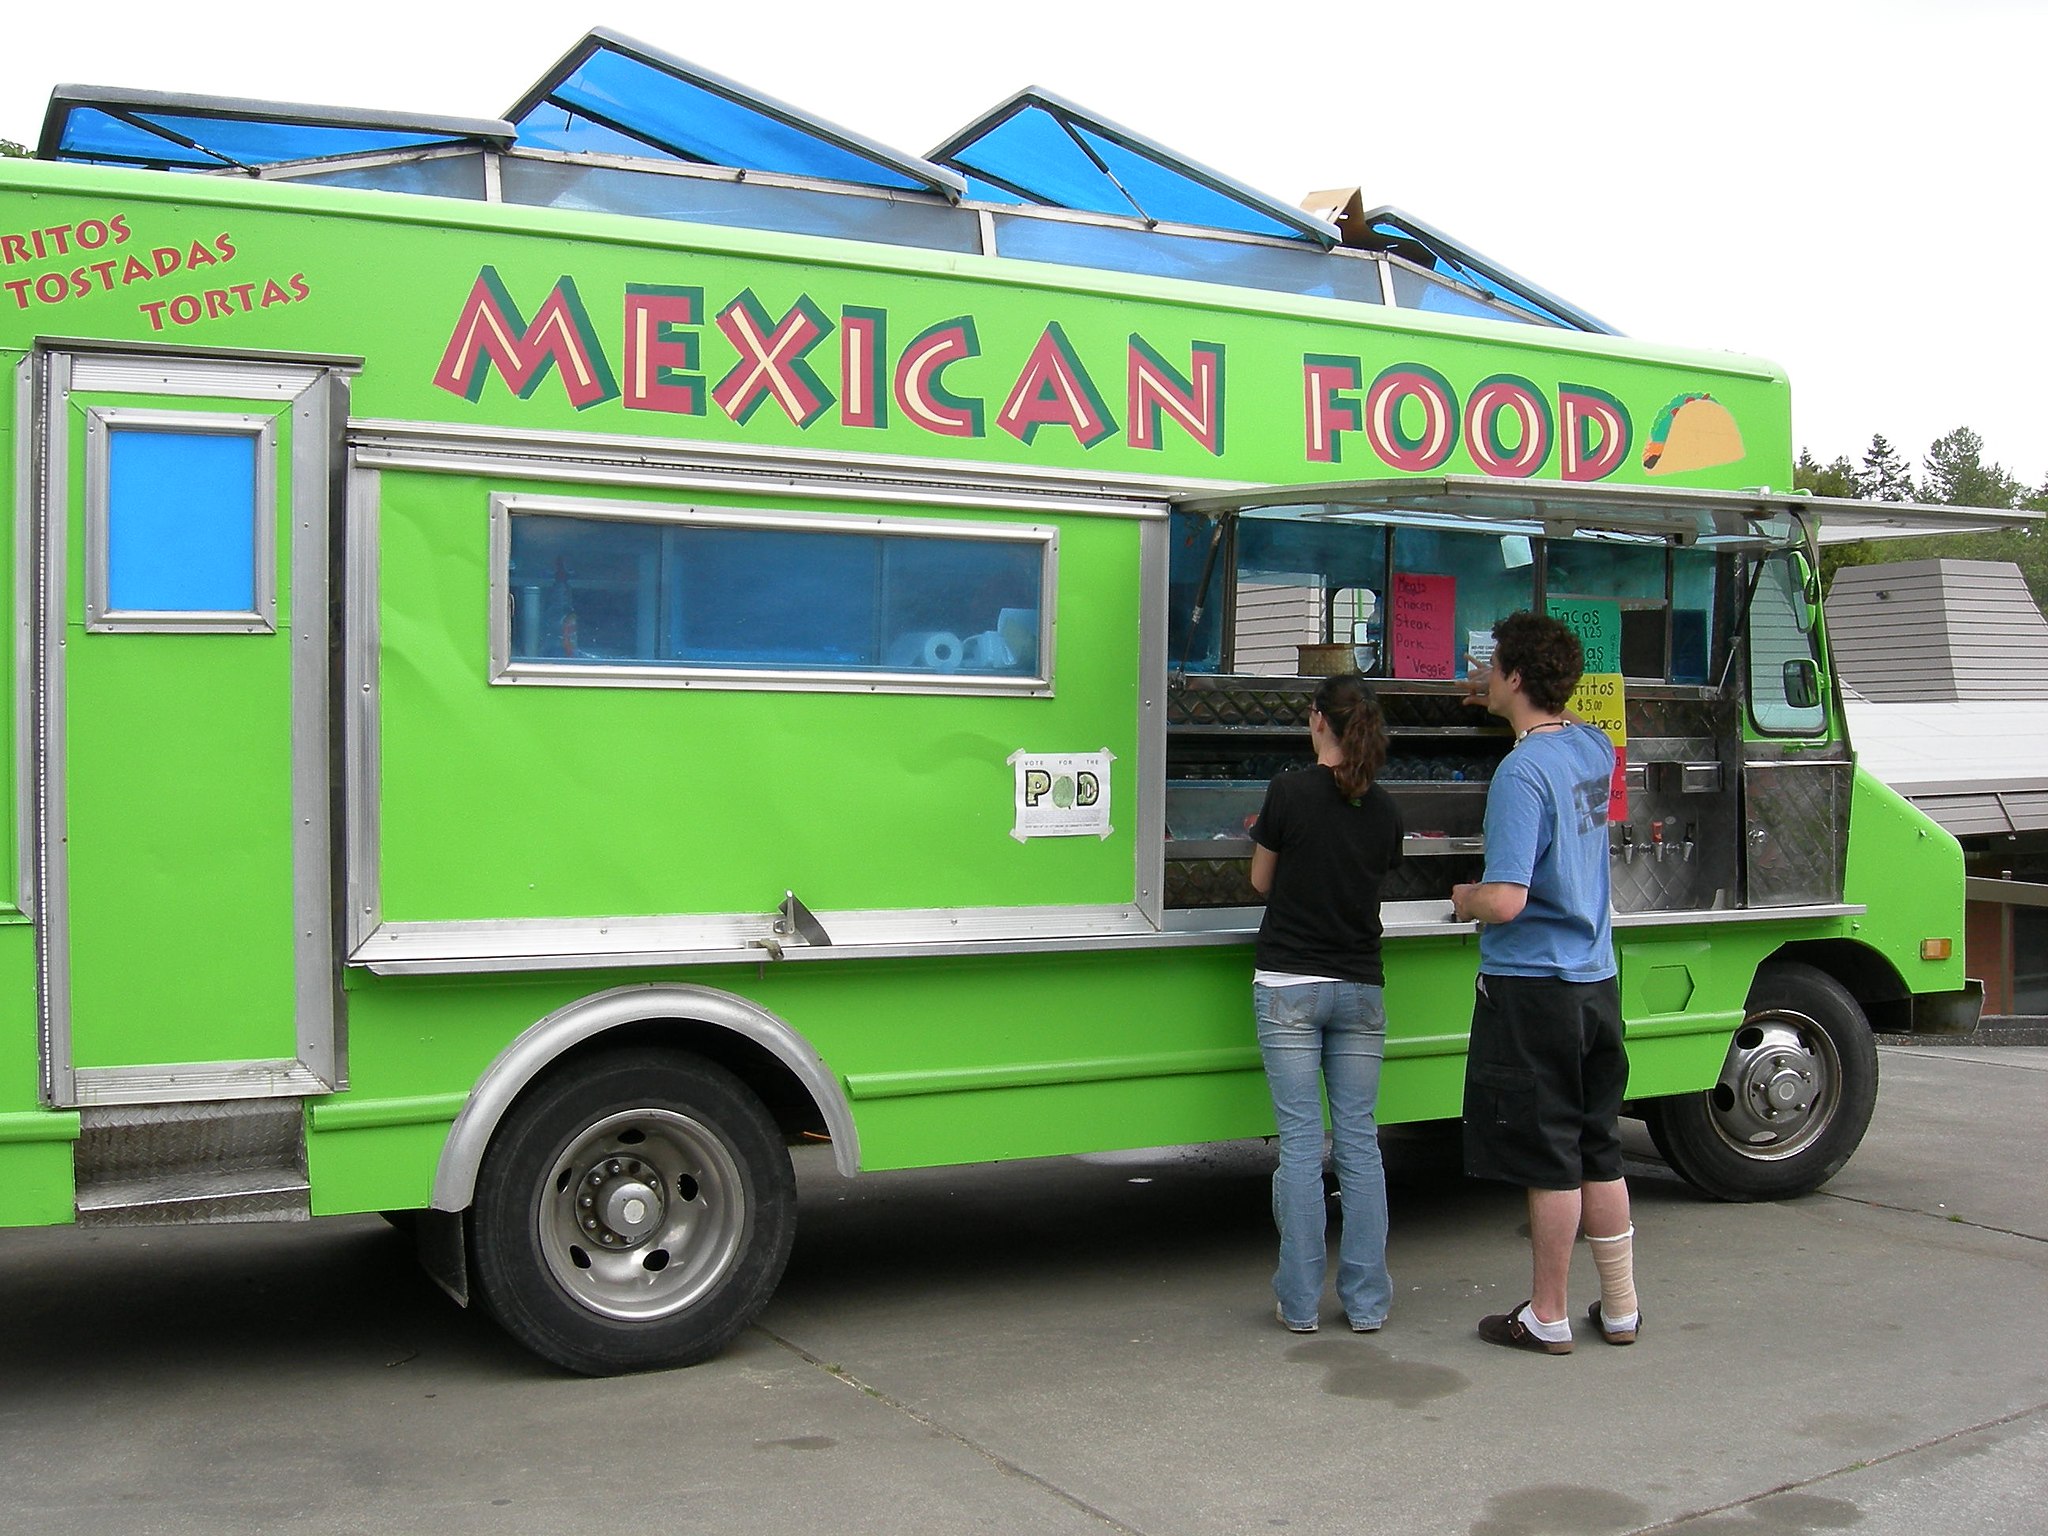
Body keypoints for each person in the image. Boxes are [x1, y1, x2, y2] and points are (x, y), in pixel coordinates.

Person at [1451, 612, 1639, 1356]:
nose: (1487, 674)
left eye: (1493, 665)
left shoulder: (1520, 774)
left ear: (1518, 677)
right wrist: (1494, 700)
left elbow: (1507, 899)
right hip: (1596, 979)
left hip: (1533, 987)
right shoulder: (1591, 748)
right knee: (1599, 1145)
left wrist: (1464, 899)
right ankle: (1620, 1307)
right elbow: (1551, 739)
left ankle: (1549, 1313)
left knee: (1549, 1154)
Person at [1248, 674, 1405, 1334]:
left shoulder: (1288, 791)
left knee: (1301, 1147)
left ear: (1317, 721)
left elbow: (1261, 880)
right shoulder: (1387, 809)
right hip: (1360, 987)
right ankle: (1367, 1304)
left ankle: (1301, 1300)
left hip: (1288, 986)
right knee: (1360, 1147)